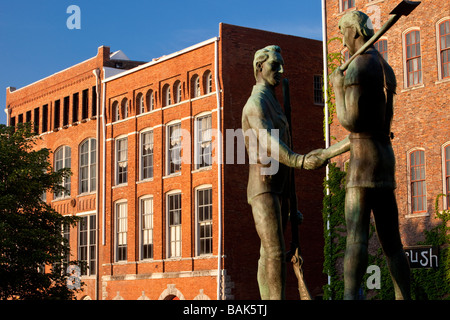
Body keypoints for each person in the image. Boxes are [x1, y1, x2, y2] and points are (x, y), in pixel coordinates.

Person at [312, 11, 411, 299]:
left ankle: (350, 297)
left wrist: (337, 86)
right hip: (383, 156)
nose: (342, 38)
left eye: (343, 32)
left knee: (356, 239)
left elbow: (352, 121)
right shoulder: (383, 66)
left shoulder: (357, 68)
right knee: (392, 243)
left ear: (354, 32)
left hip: (363, 167)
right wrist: (329, 152)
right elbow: (369, 129)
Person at [241, 45, 323, 300]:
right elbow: (268, 143)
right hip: (263, 186)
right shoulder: (256, 103)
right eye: (275, 65)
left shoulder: (273, 102)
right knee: (275, 251)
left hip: (280, 188)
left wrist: (291, 201)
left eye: (281, 65)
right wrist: (298, 161)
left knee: (268, 253)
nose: (281, 70)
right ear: (259, 67)